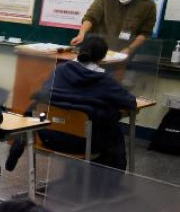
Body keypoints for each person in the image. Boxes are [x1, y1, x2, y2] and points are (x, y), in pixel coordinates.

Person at [38, 35, 137, 170]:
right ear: (102, 58)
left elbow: (43, 93)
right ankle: (104, 182)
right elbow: (130, 102)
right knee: (111, 132)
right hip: (82, 143)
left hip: (47, 135)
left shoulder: (60, 70)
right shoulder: (103, 80)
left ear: (79, 51)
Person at [70, 0, 156, 56]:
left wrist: (130, 49)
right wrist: (81, 34)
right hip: (96, 48)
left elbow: (145, 33)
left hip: (123, 51)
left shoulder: (148, 5)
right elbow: (91, 17)